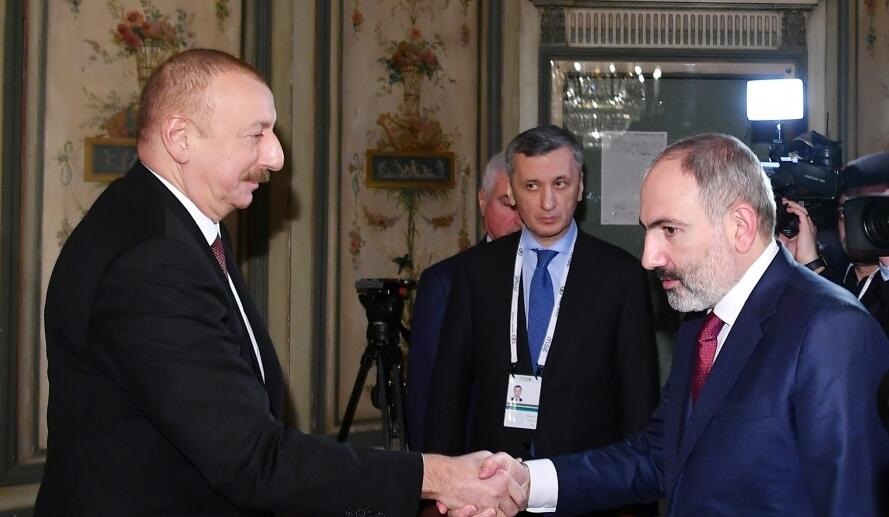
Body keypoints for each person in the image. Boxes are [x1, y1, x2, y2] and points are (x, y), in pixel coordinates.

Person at [36, 49, 527, 517]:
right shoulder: (150, 258)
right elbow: (251, 456)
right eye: (257, 134)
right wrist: (438, 476)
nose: (275, 157)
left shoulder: (174, 226)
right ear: (180, 137)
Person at [480, 133, 889, 516]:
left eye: (670, 230)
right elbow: (660, 455)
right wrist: (528, 481)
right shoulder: (701, 321)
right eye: (648, 231)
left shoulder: (831, 331)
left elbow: (852, 503)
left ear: (740, 226)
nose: (649, 258)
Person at [424, 125, 660, 516]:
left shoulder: (622, 277)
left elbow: (638, 402)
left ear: (581, 186)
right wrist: (441, 491)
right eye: (532, 186)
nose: (548, 202)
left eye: (560, 184)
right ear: (513, 191)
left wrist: (639, 506)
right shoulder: (476, 272)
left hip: (587, 490)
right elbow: (449, 392)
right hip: (490, 490)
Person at [407, 152, 522, 450]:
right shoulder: (446, 282)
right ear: (483, 201)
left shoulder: (561, 276)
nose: (519, 218)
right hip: (472, 461)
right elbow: (425, 396)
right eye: (508, 204)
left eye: (524, 204)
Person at [781, 150, 889, 335]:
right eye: (844, 212)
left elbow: (851, 335)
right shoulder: (835, 266)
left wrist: (812, 264)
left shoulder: (883, 289)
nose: (852, 223)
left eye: (864, 212)